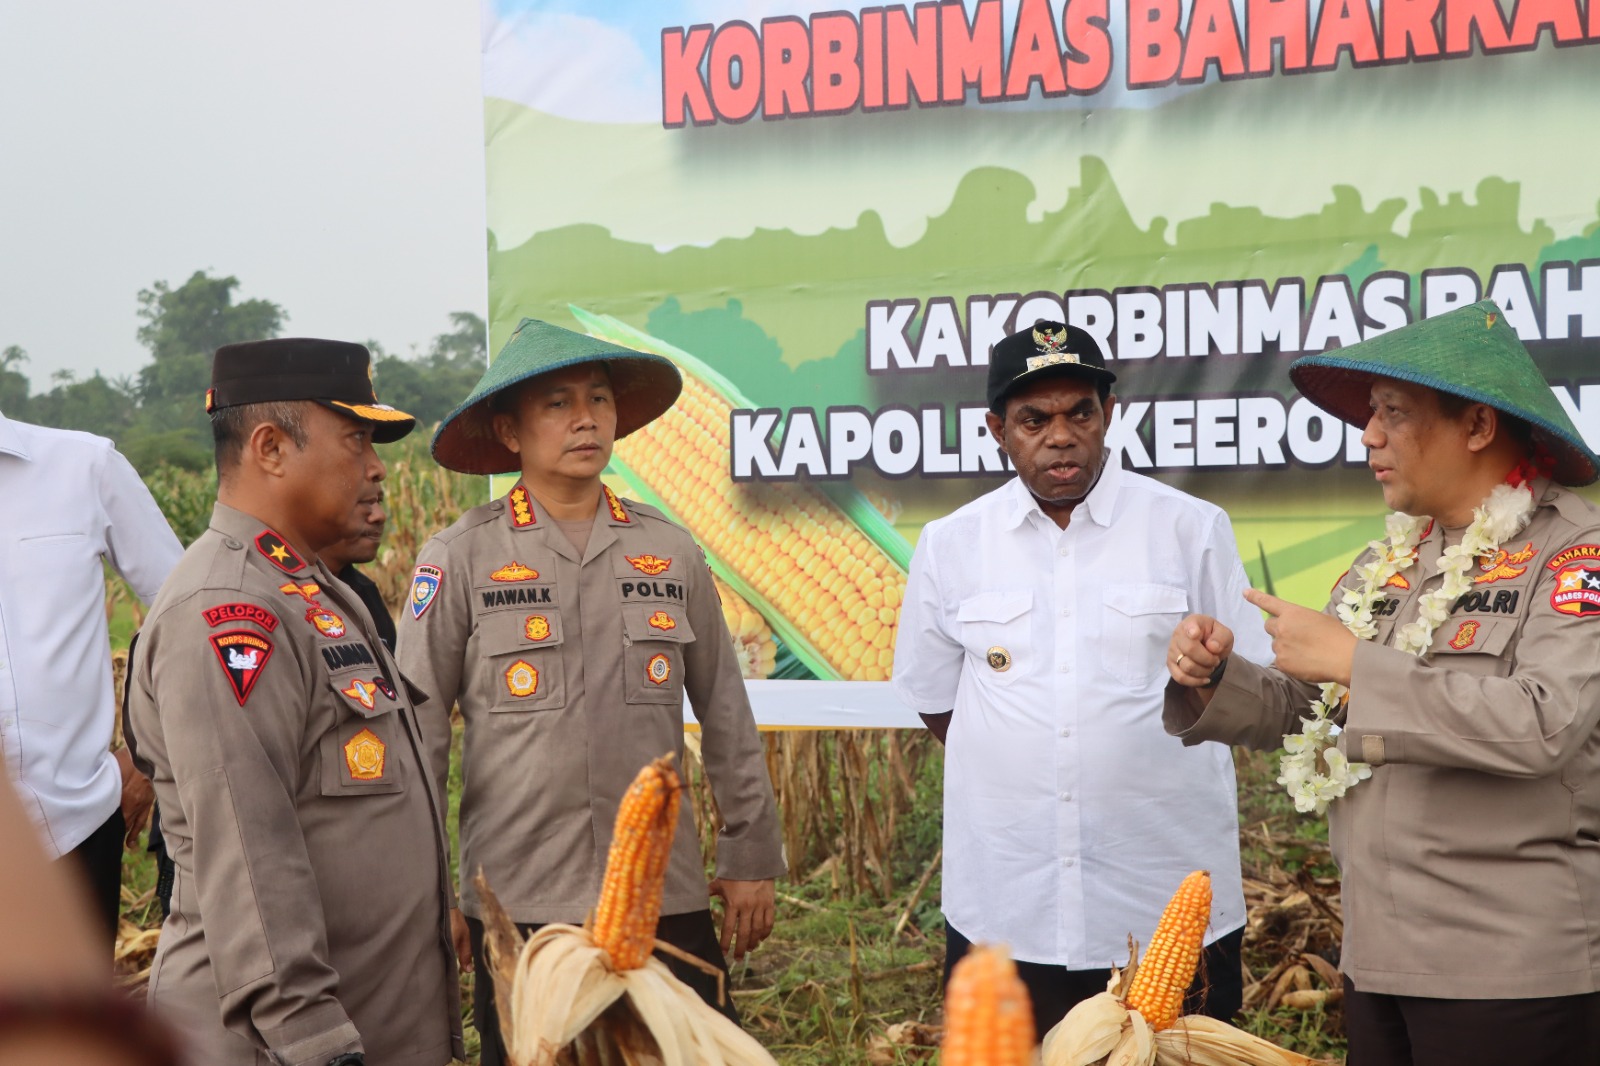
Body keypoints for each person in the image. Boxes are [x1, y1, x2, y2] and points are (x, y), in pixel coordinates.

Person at [1165, 299, 1600, 1065]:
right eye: (1371, 413)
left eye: (1393, 412)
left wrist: (1353, 661)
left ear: (1478, 425)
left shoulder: (1574, 557)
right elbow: (1314, 709)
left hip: (1510, 973)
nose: (1368, 434)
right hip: (1376, 960)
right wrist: (1213, 677)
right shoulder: (1386, 564)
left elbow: (1545, 723)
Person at [398, 317, 785, 1065]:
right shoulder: (461, 557)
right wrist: (431, 892)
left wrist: (750, 854)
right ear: (508, 431)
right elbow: (418, 738)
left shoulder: (669, 549)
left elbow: (726, 712)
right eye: (558, 404)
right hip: (521, 900)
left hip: (660, 893)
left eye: (599, 399)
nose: (586, 419)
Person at [891, 321, 1271, 1034]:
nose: (1061, 437)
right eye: (1034, 420)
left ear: (1109, 415)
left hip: (1163, 901)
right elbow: (938, 703)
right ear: (998, 430)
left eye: (1080, 414)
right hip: (1008, 906)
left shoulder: (1190, 529)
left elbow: (1254, 688)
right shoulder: (951, 545)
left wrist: (1210, 677)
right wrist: (1028, 760)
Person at [124, 338, 462, 1066]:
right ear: (271, 449)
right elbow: (250, 856)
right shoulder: (229, 609)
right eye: (356, 439)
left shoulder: (309, 590)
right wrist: (317, 1044)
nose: (376, 466)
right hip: (287, 1046)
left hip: (370, 1026)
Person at [0, 404, 182, 946]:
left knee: (71, 1002)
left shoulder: (83, 467)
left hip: (72, 823)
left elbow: (188, 617)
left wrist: (149, 754)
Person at [325, 490, 396, 653]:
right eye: (363, 502)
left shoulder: (365, 591)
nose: (380, 516)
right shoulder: (280, 597)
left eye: (379, 502)